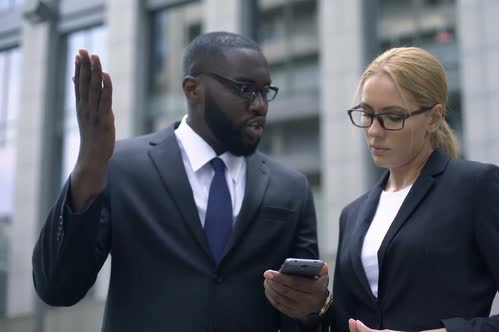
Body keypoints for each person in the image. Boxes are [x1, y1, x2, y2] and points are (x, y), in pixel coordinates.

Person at [32, 31, 323, 332]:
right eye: (245, 89)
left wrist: (313, 310)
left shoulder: (292, 188)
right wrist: (89, 163)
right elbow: (57, 287)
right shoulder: (121, 166)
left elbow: (306, 316)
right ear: (192, 89)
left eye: (265, 91)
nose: (260, 105)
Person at [264, 47, 499, 332]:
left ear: (433, 118)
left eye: (393, 117)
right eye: (367, 113)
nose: (374, 130)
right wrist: (314, 309)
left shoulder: (476, 188)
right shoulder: (352, 215)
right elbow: (347, 322)